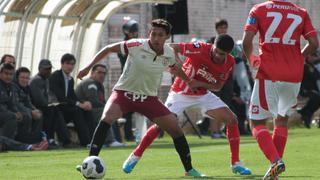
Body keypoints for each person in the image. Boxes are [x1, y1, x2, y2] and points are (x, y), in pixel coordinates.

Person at [76, 19, 204, 177]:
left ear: (167, 37)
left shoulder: (169, 53)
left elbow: (176, 69)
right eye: (153, 34)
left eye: (160, 35)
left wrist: (189, 81)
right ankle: (89, 162)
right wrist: (88, 67)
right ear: (149, 33)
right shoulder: (135, 45)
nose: (156, 38)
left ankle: (189, 170)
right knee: (107, 117)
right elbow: (109, 48)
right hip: (124, 94)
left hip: (149, 99)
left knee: (176, 129)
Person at [122, 34, 252, 176]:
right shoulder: (200, 48)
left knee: (232, 120)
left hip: (202, 95)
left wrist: (199, 83)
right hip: (180, 93)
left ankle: (235, 163)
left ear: (228, 54)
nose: (218, 55)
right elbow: (173, 47)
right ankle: (136, 155)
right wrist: (176, 62)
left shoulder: (230, 62)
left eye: (222, 54)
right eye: (216, 51)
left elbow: (218, 86)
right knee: (161, 126)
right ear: (213, 45)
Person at [242, 0, 319, 179]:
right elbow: (314, 43)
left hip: (269, 72)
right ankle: (274, 172)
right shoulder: (301, 12)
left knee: (256, 122)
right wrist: (298, 57)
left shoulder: (259, 9)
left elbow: (247, 41)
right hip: (294, 74)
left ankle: (276, 161)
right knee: (281, 120)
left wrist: (251, 58)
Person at [49, 53, 95, 146]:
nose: (70, 66)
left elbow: (72, 96)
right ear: (62, 64)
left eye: (72, 64)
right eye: (68, 63)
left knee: (87, 111)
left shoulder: (70, 79)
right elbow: (60, 97)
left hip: (67, 108)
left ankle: (92, 140)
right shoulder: (55, 76)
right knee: (77, 110)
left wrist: (84, 103)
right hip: (57, 107)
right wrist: (79, 104)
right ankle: (77, 141)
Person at [75, 64, 124, 147]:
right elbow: (93, 101)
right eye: (99, 72)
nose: (102, 75)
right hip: (84, 112)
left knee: (111, 112)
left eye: (104, 73)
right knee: (106, 112)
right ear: (92, 73)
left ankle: (116, 140)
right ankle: (109, 140)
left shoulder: (99, 84)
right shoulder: (90, 83)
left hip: (92, 110)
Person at [29, 59, 72, 147]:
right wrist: (51, 104)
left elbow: (48, 96)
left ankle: (58, 139)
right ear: (39, 69)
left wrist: (53, 103)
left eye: (49, 69)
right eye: (46, 69)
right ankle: (59, 139)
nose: (48, 71)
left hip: (42, 106)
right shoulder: (36, 80)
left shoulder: (45, 80)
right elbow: (39, 100)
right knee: (53, 110)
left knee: (56, 109)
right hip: (35, 107)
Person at [13, 67, 44, 144]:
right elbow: (16, 104)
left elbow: (28, 102)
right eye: (22, 77)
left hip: (24, 109)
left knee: (39, 114)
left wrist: (34, 110)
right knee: (27, 115)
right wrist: (31, 112)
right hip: (14, 110)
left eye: (27, 78)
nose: (25, 80)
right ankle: (23, 141)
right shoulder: (13, 87)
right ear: (17, 78)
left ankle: (35, 140)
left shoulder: (26, 88)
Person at [0, 63, 21, 139]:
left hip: (5, 113)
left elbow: (11, 103)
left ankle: (25, 140)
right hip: (3, 112)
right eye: (6, 73)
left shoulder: (11, 86)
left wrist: (17, 112)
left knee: (23, 116)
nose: (8, 76)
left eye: (11, 74)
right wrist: (12, 113)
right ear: (0, 73)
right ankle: (4, 143)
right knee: (11, 117)